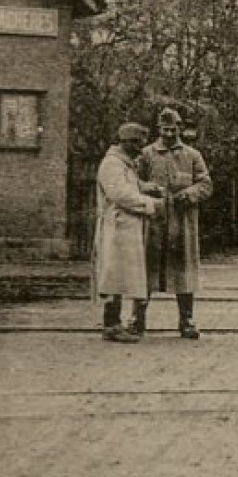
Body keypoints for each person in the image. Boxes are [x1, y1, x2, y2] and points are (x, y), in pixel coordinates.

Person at [136, 107, 214, 338]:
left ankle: (186, 320)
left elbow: (206, 184)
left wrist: (190, 194)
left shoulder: (192, 156)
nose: (169, 134)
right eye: (164, 129)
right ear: (158, 129)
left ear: (180, 128)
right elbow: (133, 180)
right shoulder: (147, 154)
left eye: (173, 129)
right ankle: (137, 318)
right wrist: (147, 188)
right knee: (145, 271)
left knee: (184, 272)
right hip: (154, 223)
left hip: (182, 225)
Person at [92, 122, 163, 343]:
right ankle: (111, 325)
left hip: (126, 228)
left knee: (122, 276)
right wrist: (151, 204)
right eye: (138, 144)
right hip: (117, 228)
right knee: (114, 277)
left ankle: (115, 324)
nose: (142, 148)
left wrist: (145, 186)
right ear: (128, 143)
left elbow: (130, 186)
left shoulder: (124, 164)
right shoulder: (112, 164)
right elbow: (120, 194)